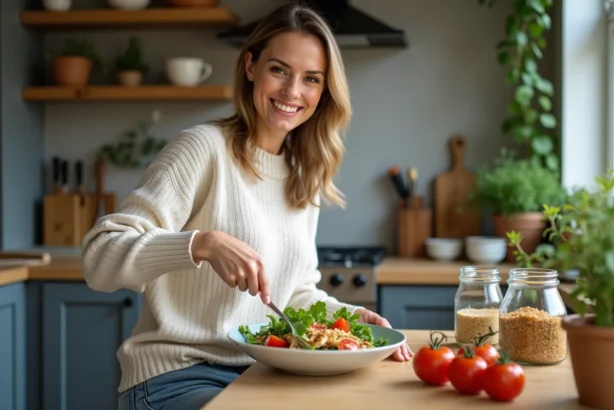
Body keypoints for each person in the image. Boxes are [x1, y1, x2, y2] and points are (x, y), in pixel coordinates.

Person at [81, 3, 412, 410]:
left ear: (323, 91)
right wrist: (201, 244)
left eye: (311, 78)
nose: (293, 91)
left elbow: (293, 295)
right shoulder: (202, 148)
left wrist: (348, 318)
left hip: (258, 374)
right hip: (174, 377)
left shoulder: (302, 173)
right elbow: (98, 258)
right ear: (251, 66)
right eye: (279, 70)